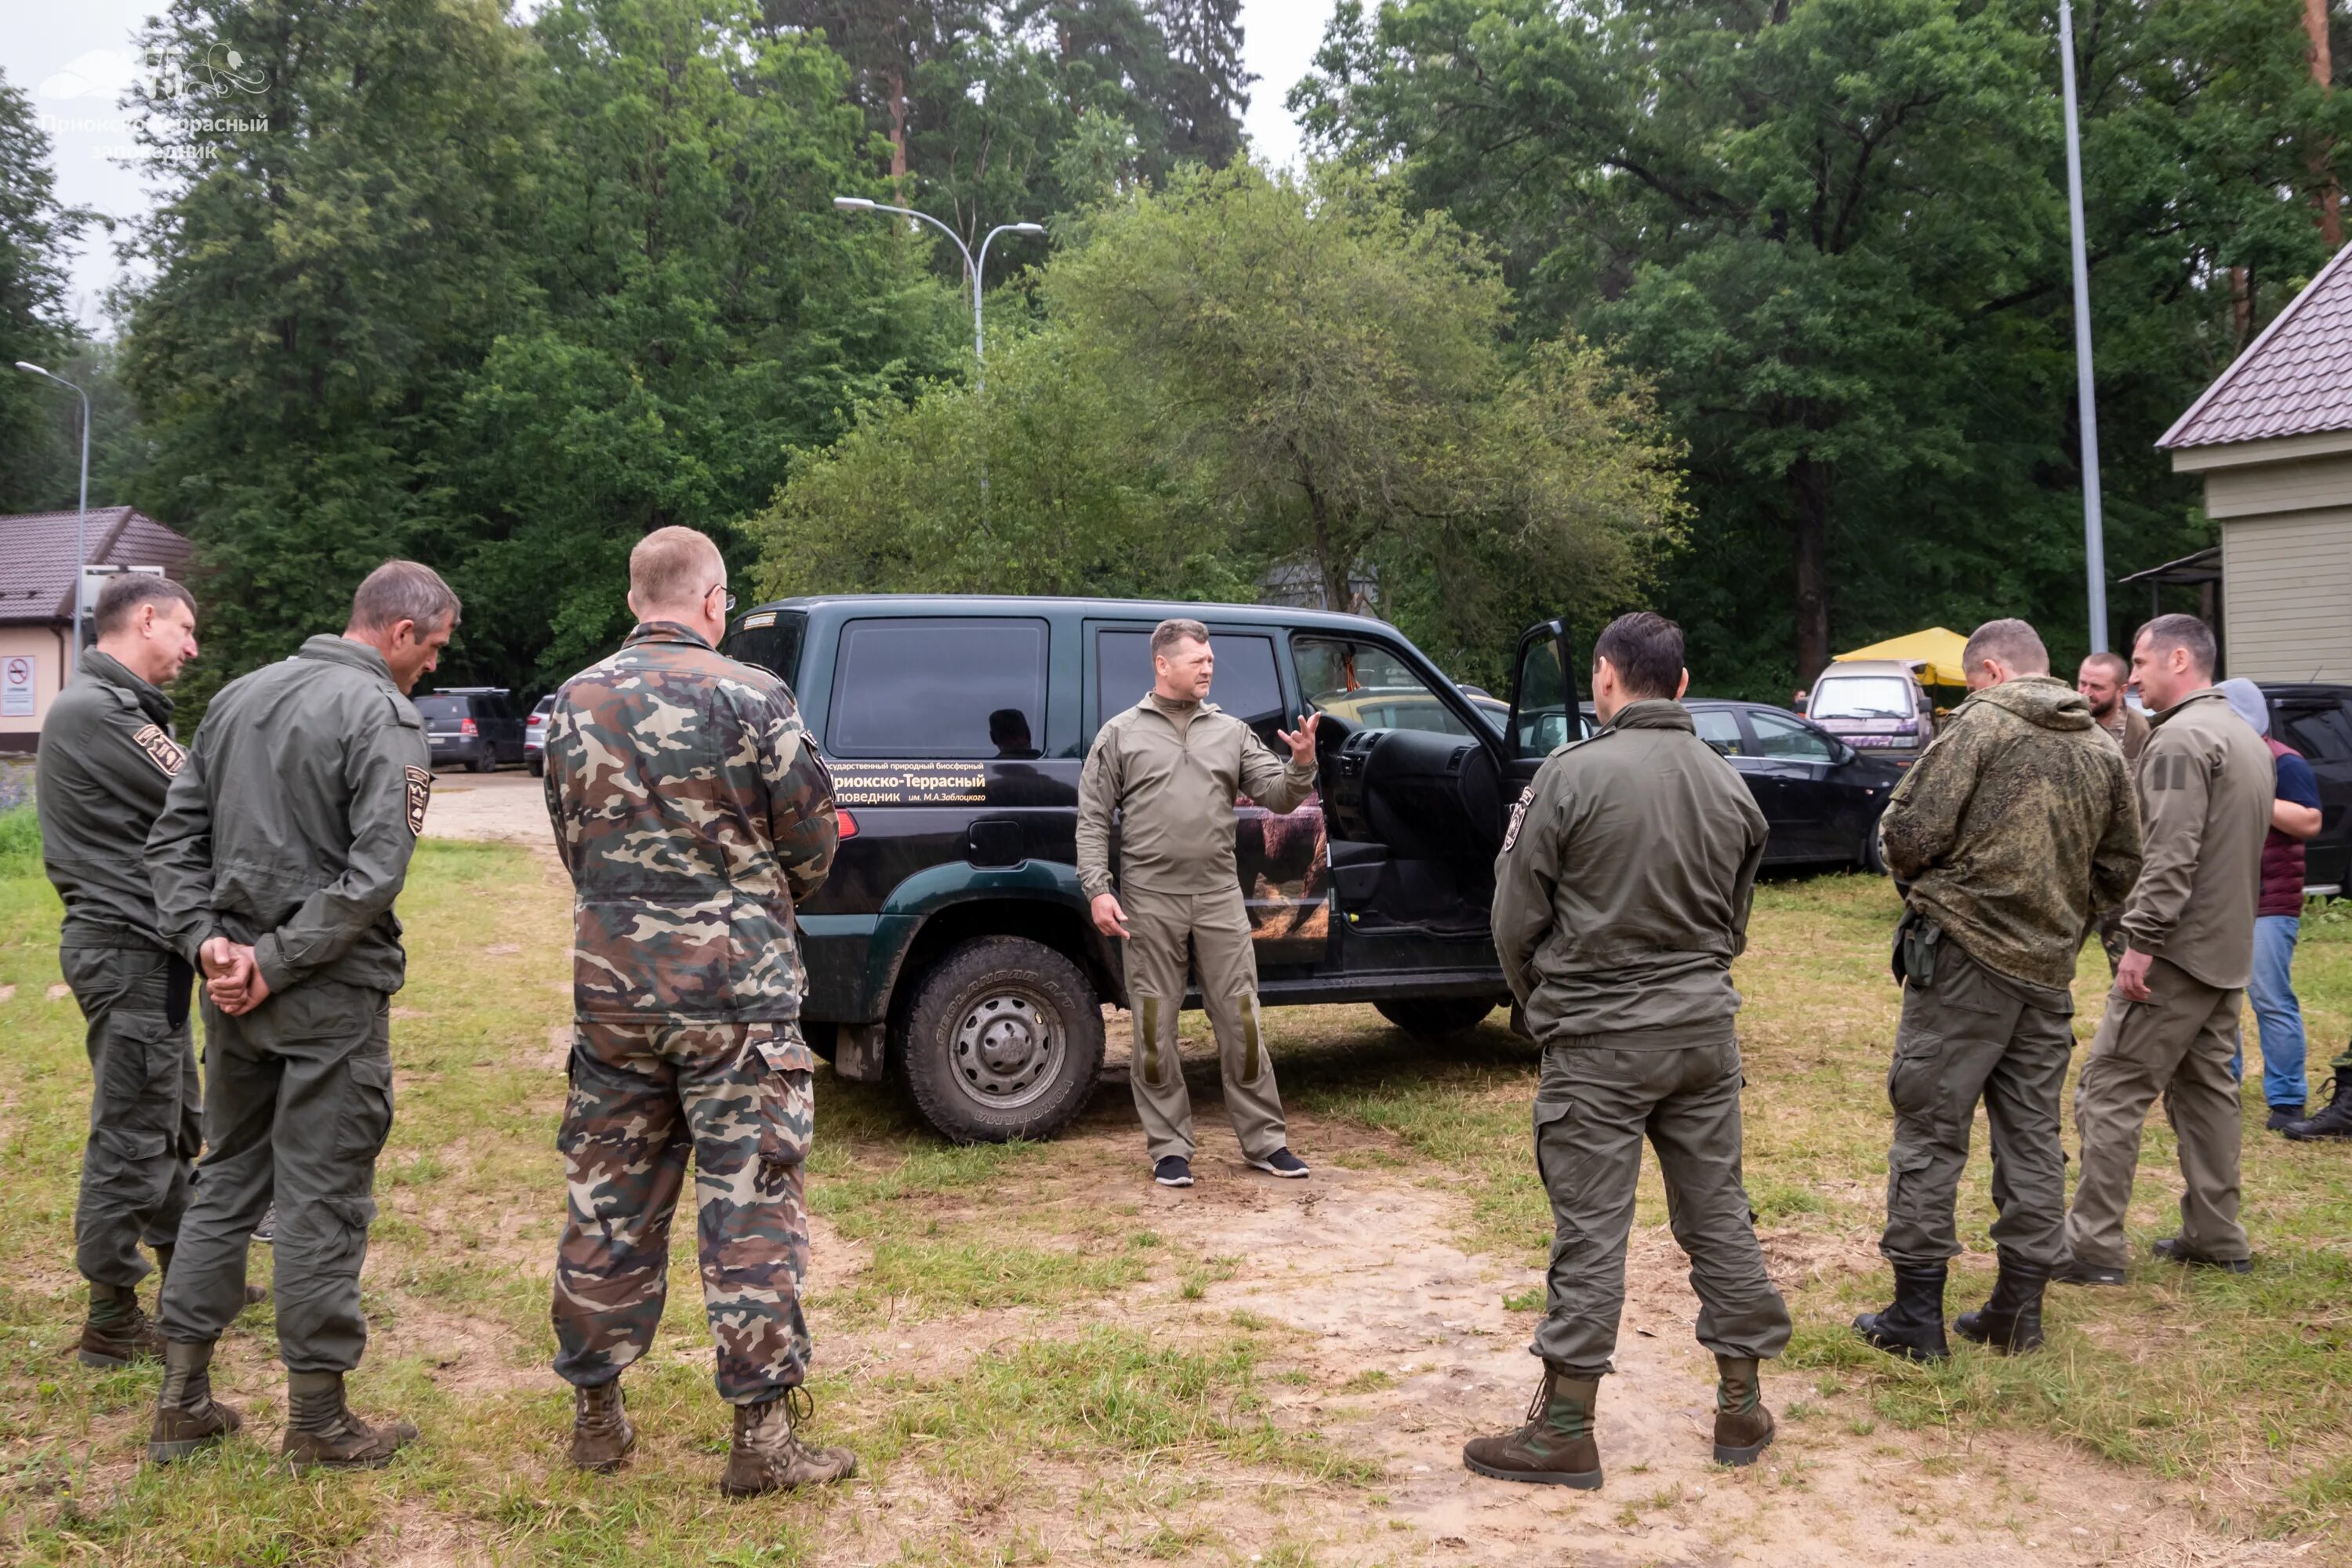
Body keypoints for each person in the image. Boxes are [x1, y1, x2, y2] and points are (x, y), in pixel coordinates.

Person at [542, 526, 852, 1496]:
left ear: (639, 597)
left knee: (608, 1196)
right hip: (738, 998)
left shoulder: (572, 702)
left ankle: (597, 1414)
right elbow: (811, 846)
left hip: (615, 990)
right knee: (750, 1201)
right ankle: (759, 1442)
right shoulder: (755, 696)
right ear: (712, 599)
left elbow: (572, 841)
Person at [1464, 612, 1789, 1490]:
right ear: (1681, 684)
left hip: (1599, 1043)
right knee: (1718, 1212)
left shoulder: (1569, 775)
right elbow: (1734, 922)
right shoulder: (1731, 786)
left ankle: (1566, 1428)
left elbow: (1512, 916)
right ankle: (1741, 1404)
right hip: (1701, 1035)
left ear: (1607, 676)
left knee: (1592, 1230)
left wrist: (1545, 1005)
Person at [143, 561, 456, 1468]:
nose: (433, 668)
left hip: (235, 989)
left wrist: (210, 946)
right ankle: (317, 1420)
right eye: (433, 649)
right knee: (323, 1196)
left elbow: (173, 842)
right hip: (323, 993)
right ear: (400, 632)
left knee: (228, 1174)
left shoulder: (237, 695)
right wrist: (266, 962)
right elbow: (375, 875)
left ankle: (184, 1396)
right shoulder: (386, 718)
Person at [1851, 620, 2140, 1363]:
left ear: (1989, 671)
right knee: (2034, 1140)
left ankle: (1917, 1317)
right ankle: (2019, 1312)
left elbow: (1909, 833)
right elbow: (2121, 868)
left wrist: (1920, 878)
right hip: (2046, 971)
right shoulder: (2102, 747)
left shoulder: (1982, 725)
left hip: (1963, 963)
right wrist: (2066, 927)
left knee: (1929, 1131)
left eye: (1973, 680)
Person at [36, 575, 222, 1367]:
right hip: (125, 947)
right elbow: (202, 792)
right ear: (143, 618)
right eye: (183, 629)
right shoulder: (100, 712)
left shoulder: (117, 708)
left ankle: (189, 1276)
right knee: (132, 1132)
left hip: (146, 948)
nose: (191, 647)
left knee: (173, 1113)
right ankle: (112, 1316)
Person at [2059, 615, 2272, 1285]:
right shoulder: (2244, 734)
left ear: (2180, 658)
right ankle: (2217, 1235)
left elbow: (2170, 855)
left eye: (2142, 663)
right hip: (2227, 947)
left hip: (2176, 951)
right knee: (2208, 1092)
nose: (2136, 676)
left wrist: (2140, 942)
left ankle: (2091, 1248)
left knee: (2110, 1088)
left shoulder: (2180, 739)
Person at [1078, 618, 1321, 1189]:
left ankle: (1265, 1141)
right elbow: (1092, 818)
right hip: (1149, 904)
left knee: (1242, 1023)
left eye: (1210, 659)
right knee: (1153, 1030)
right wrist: (1098, 888)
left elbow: (1280, 797)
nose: (1208, 667)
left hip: (1217, 900)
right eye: (1197, 660)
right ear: (1163, 665)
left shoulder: (1231, 732)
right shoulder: (1120, 734)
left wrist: (1303, 763)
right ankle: (1169, 1148)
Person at [2217, 680, 2322, 1129]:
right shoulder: (2218, 758)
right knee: (2221, 998)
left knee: (2269, 998)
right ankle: (2223, 1087)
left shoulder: (2285, 760)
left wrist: (2256, 793)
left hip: (2270, 901)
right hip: (2225, 900)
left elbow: (2310, 821)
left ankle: (2287, 1099)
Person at [2076, 652, 2151, 762]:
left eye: (2097, 687)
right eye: (2083, 684)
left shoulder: (2139, 730)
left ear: (2121, 691)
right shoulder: (2067, 719)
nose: (2087, 693)